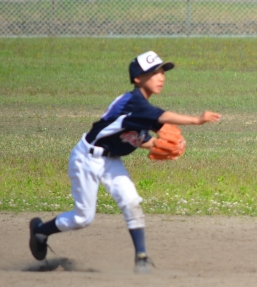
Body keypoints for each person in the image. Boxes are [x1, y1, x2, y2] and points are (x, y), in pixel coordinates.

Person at [28, 50, 221, 274]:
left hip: (112, 160)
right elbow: (161, 116)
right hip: (86, 158)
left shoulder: (142, 109)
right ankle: (41, 231)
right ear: (138, 79)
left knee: (131, 201)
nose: (160, 77)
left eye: (162, 72)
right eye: (154, 73)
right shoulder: (132, 102)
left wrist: (160, 145)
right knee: (83, 218)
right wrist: (197, 120)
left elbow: (139, 136)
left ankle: (142, 257)